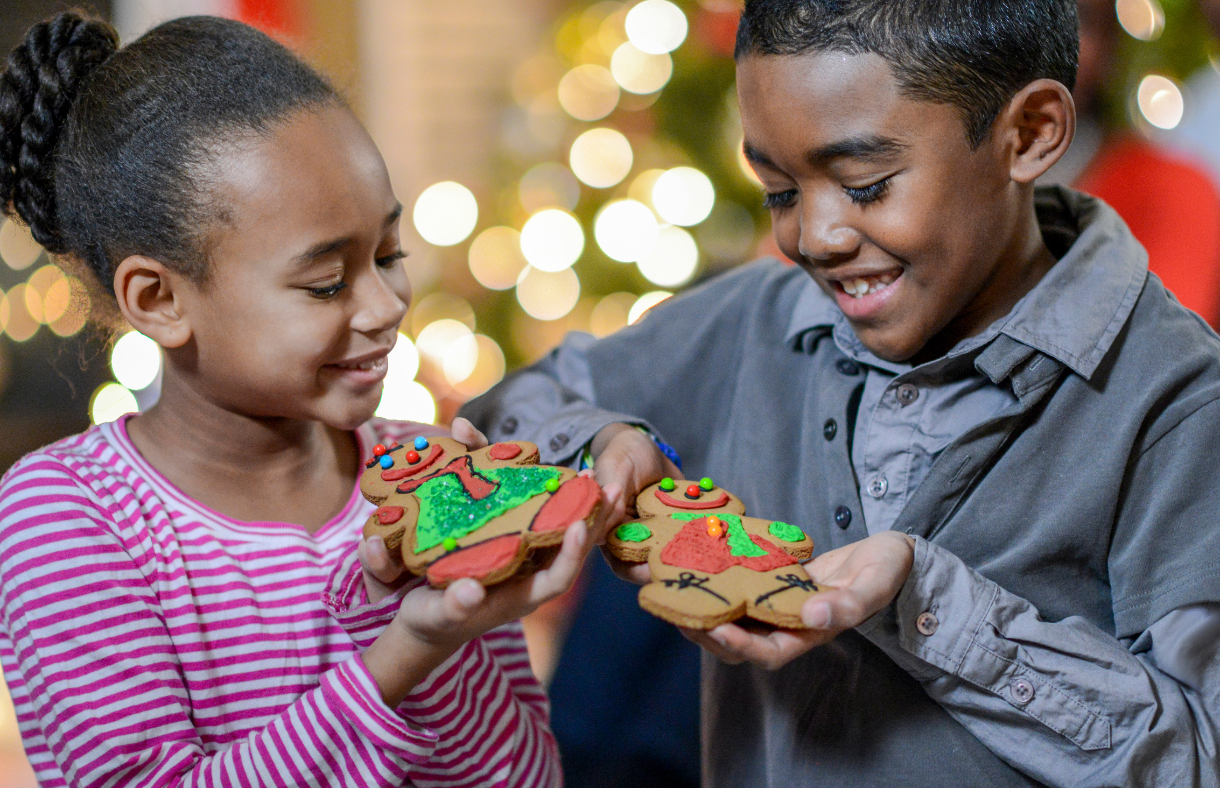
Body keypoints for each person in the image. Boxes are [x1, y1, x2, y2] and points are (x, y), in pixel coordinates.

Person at [461, 1, 1220, 785]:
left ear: (1027, 134)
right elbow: (515, 405)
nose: (814, 238)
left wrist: (930, 606)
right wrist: (602, 438)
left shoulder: (1180, 403)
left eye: (866, 184)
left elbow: (1199, 758)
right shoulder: (758, 315)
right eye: (780, 191)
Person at [0, 13, 592, 787]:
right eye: (327, 282)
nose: (385, 306)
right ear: (158, 299)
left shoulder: (421, 477)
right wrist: (406, 649)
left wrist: (448, 622)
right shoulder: (65, 516)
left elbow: (522, 775)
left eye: (389, 253)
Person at [1043, 0, 1220, 325]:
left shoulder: (1170, 189)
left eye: (1078, 19)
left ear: (1111, 49)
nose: (1041, 38)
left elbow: (1164, 351)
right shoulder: (949, 191)